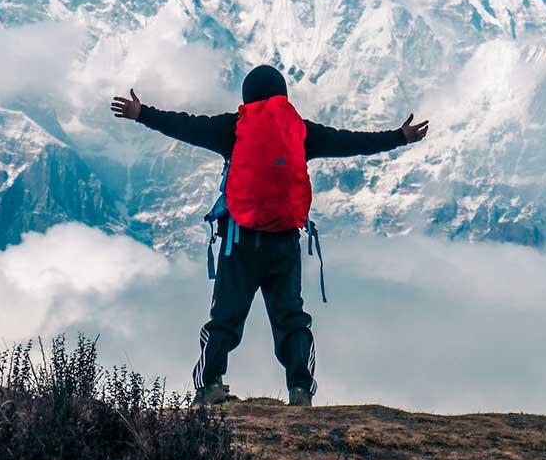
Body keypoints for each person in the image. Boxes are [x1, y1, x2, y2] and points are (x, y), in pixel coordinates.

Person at [111, 65, 428, 406]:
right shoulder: (301, 132)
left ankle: (209, 386)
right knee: (291, 319)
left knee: (225, 318)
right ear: (283, 96)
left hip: (239, 241)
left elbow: (186, 125)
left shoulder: (232, 128)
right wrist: (398, 137)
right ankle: (300, 389)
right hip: (284, 242)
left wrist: (142, 114)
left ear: (247, 96)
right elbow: (351, 141)